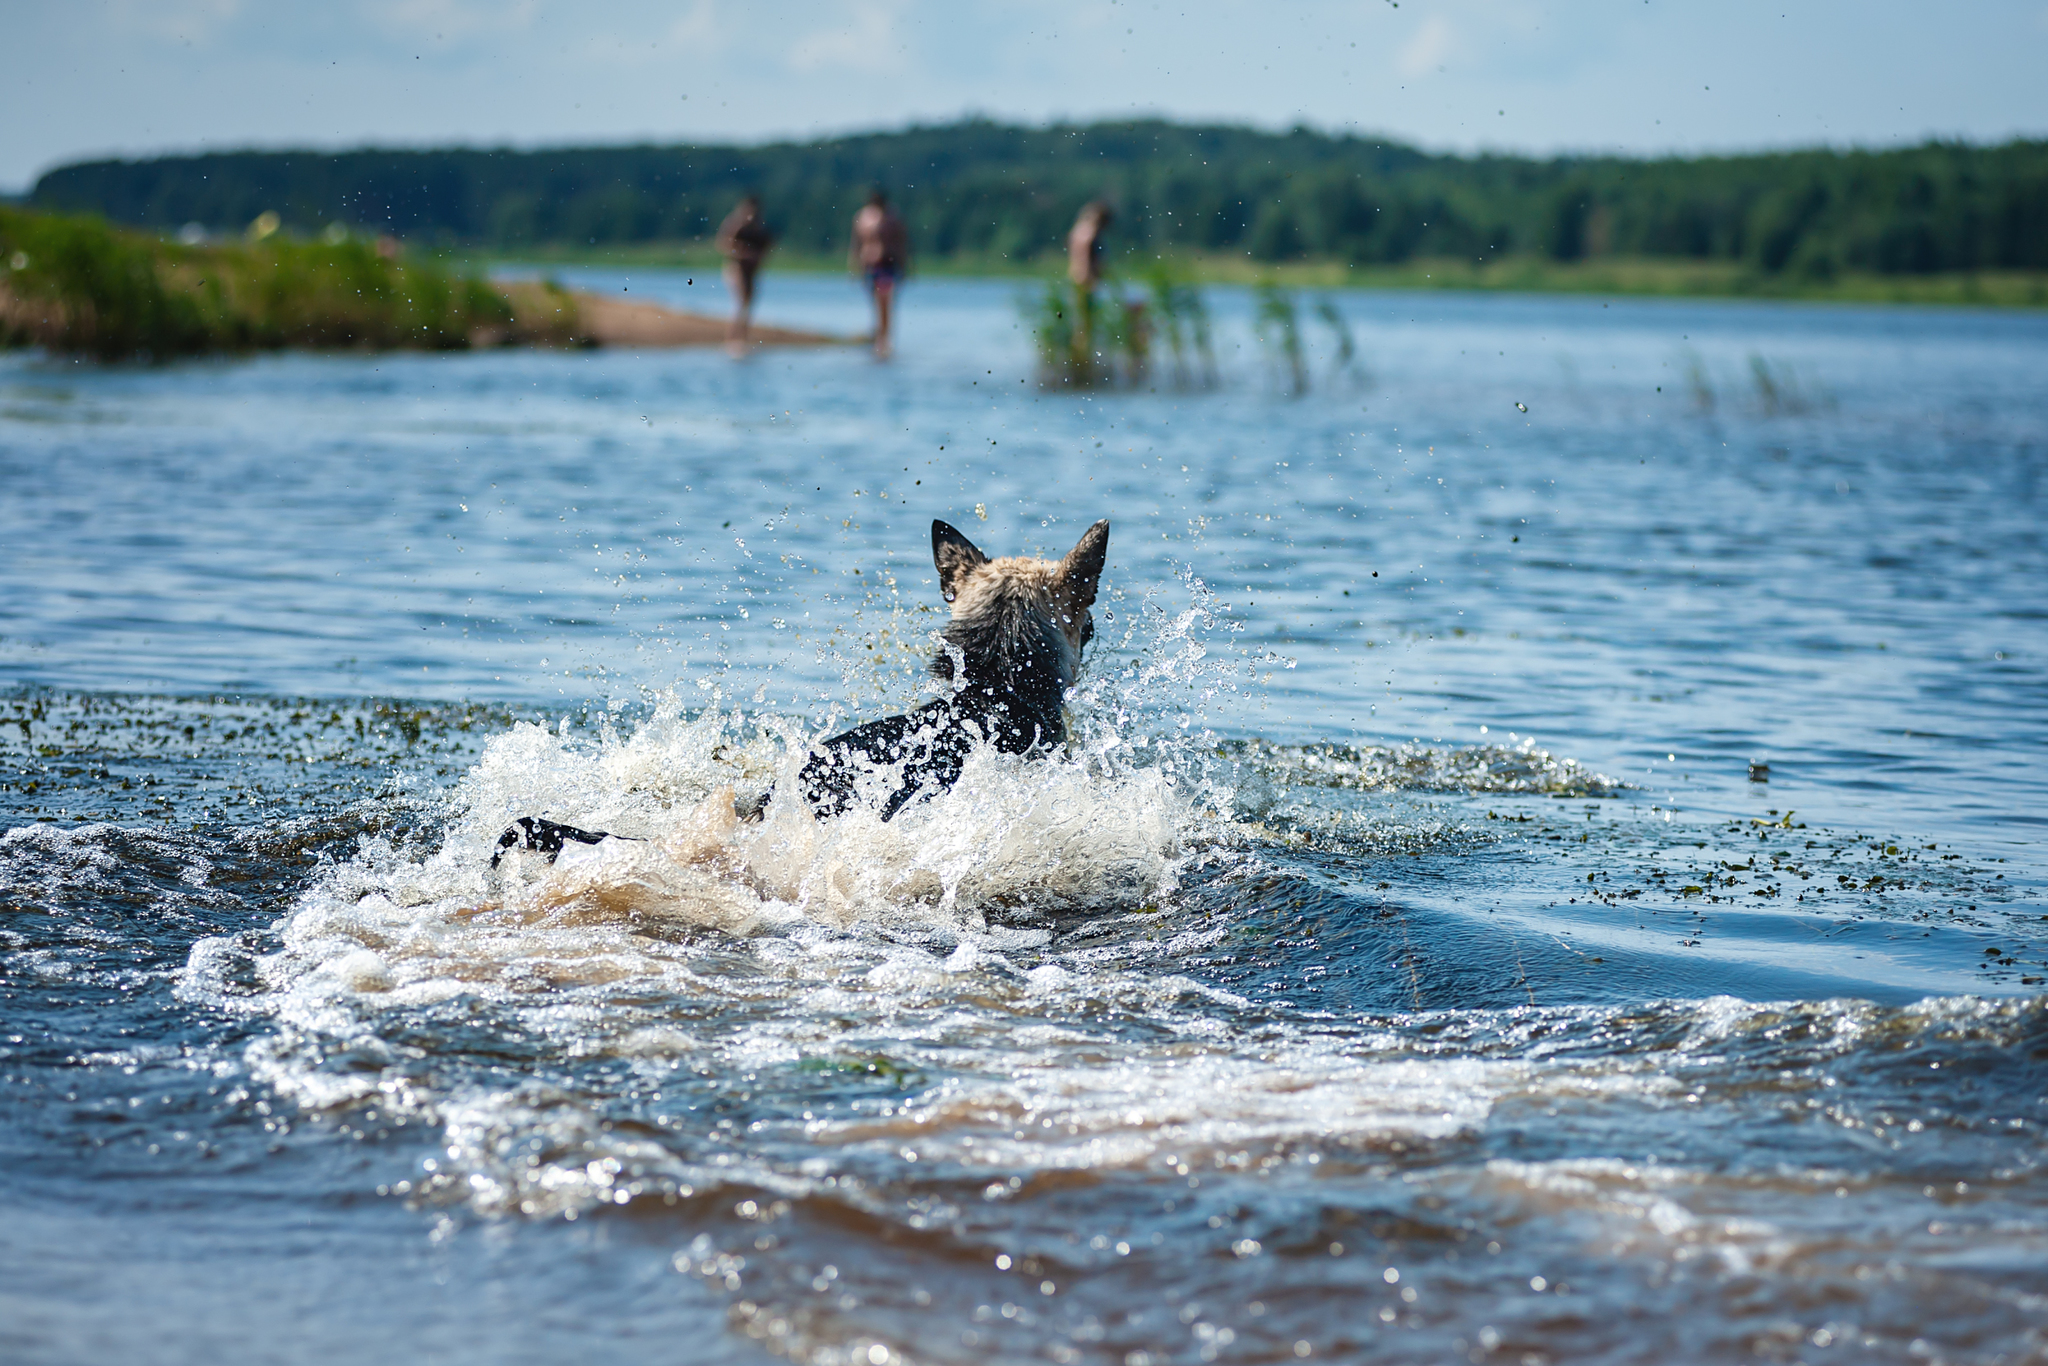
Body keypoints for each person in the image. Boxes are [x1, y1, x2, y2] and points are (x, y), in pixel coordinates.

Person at [849, 188, 909, 358]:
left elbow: (901, 244)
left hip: (887, 264)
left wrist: (905, 266)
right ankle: (880, 337)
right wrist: (854, 267)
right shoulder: (863, 218)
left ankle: (884, 339)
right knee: (877, 302)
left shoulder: (892, 218)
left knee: (886, 300)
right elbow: (855, 244)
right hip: (870, 265)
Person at [715, 194, 774, 354]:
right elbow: (722, 244)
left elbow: (767, 248)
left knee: (748, 305)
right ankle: (731, 341)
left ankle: (743, 340)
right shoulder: (736, 224)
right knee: (740, 303)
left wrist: (757, 256)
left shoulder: (760, 227)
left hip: (752, 270)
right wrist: (743, 253)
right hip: (736, 267)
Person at [1065, 200, 1115, 368]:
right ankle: (1083, 359)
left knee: (1080, 321)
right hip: (1085, 280)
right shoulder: (1090, 233)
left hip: (1076, 278)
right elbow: (1085, 259)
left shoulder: (1078, 230)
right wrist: (1091, 278)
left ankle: (1080, 358)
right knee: (1085, 323)